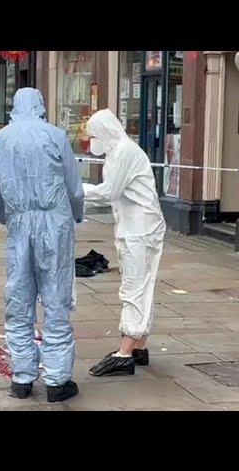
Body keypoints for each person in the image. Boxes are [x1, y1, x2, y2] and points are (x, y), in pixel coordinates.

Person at [0, 88, 84, 403]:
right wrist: (74, 218)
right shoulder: (55, 136)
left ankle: (22, 378)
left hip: (19, 224)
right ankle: (57, 380)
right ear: (40, 105)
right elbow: (75, 189)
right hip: (54, 223)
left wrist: (10, 219)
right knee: (56, 301)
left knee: (19, 300)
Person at [83, 109, 166, 377]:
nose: (91, 141)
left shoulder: (124, 152)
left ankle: (125, 352)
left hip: (139, 230)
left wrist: (75, 190)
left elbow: (108, 192)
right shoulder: (120, 151)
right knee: (142, 284)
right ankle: (138, 345)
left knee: (134, 286)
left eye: (94, 136)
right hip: (137, 227)